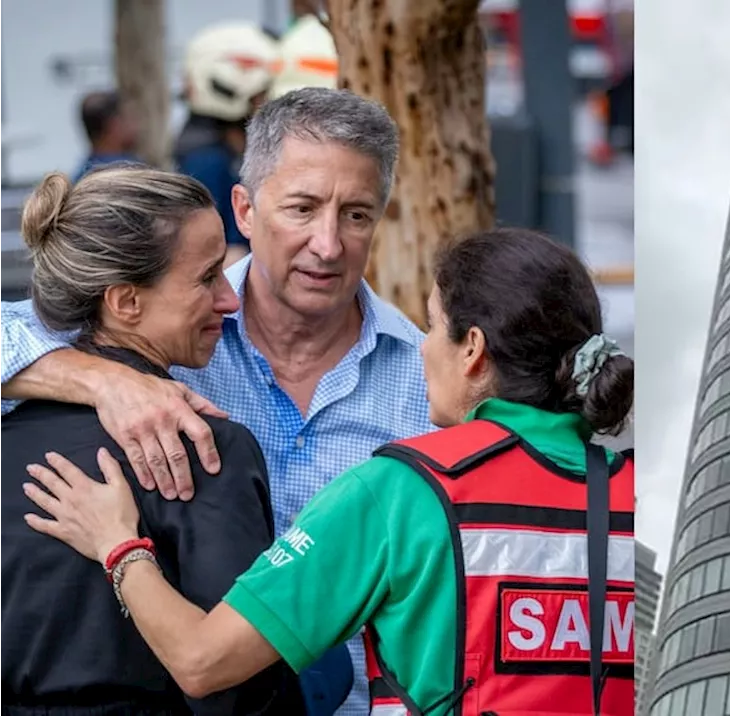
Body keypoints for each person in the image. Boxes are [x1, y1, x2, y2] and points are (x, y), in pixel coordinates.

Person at [19, 227, 637, 716]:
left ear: (471, 349)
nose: (421, 344)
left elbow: (203, 662)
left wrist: (119, 545)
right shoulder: (632, 488)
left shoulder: (403, 491)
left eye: (434, 324)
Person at [0, 87, 432, 716]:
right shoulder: (163, 323)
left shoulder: (429, 387)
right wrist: (103, 382)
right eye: (302, 208)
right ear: (246, 209)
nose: (329, 243)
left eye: (357, 214)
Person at [0, 166, 304, 714]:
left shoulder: (8, 437)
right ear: (125, 302)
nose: (229, 302)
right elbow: (241, 690)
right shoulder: (206, 449)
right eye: (208, 278)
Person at [174, 21, 280, 268]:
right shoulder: (209, 159)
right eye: (260, 93)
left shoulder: (213, 148)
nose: (264, 101)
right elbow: (225, 252)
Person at [73, 90, 140, 181]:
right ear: (113, 125)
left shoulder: (80, 178)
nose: (136, 126)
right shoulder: (132, 175)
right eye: (129, 118)